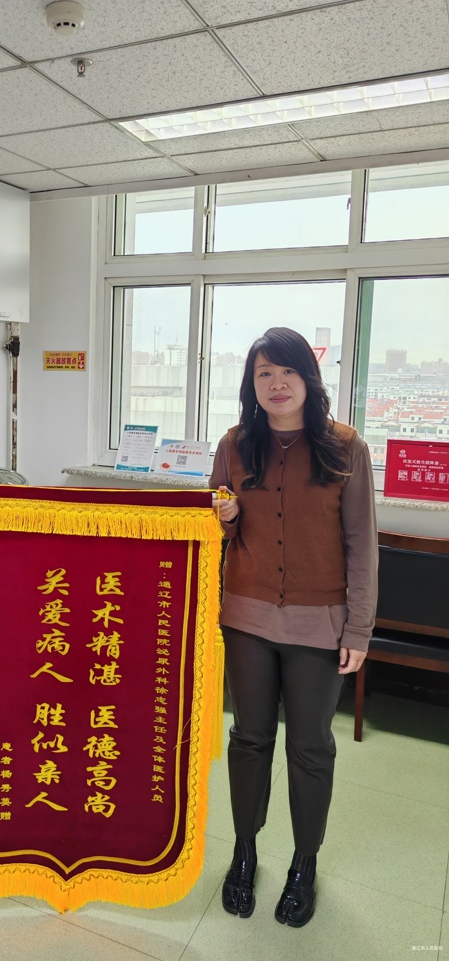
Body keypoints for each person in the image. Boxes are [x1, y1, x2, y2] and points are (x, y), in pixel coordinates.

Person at [210, 326, 377, 928]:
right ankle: (244, 852)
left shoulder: (345, 447)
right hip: (247, 620)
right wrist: (227, 518)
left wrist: (359, 630)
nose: (276, 384)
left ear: (309, 377)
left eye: (287, 372)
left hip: (320, 626)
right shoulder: (234, 445)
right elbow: (215, 529)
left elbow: (362, 545)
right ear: (251, 384)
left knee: (310, 748)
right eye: (264, 374)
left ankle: (305, 864)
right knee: (249, 740)